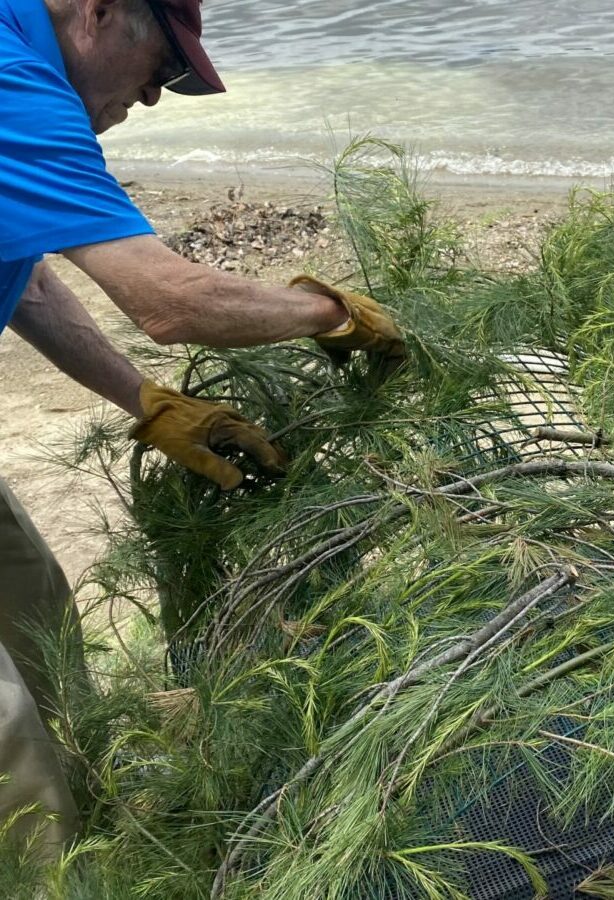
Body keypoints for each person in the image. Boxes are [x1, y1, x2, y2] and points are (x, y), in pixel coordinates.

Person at [0, 0, 404, 850]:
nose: (154, 98)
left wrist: (147, 403)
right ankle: (51, 870)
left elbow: (24, 279)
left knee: (33, 605)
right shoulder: (13, 87)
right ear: (101, 10)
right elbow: (173, 302)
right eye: (164, 67)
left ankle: (83, 806)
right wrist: (329, 314)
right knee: (5, 730)